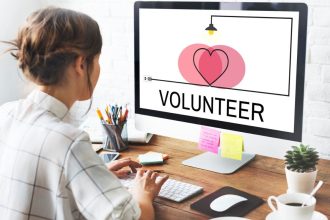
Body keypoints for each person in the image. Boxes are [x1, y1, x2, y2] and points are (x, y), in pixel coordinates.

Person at [0, 7, 168, 220]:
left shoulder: (5, 114)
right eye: (97, 60)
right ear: (81, 64)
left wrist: (93, 174)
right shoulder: (69, 141)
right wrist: (142, 194)